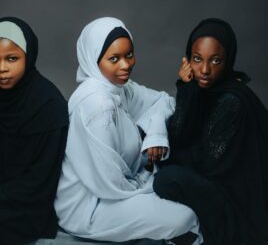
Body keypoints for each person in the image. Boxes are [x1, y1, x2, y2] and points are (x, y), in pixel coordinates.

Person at [55, 17, 202, 245]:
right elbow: (108, 183)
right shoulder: (96, 105)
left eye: (129, 55)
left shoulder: (119, 87)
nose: (125, 65)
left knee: (183, 194)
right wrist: (151, 186)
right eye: (114, 59)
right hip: (91, 207)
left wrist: (155, 132)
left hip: (123, 187)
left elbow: (163, 101)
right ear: (94, 60)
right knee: (185, 216)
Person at [153, 18, 268, 245]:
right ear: (188, 59)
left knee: (166, 178)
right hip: (217, 183)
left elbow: (206, 163)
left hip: (237, 206)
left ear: (227, 61)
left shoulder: (231, 100)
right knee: (162, 156)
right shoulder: (205, 91)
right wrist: (187, 88)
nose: (204, 70)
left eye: (215, 61)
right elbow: (180, 133)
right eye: (197, 59)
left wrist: (170, 156)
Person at [0, 17, 69, 245]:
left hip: (24, 206)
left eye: (12, 59)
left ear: (28, 56)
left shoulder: (50, 106)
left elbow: (38, 181)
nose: (1, 68)